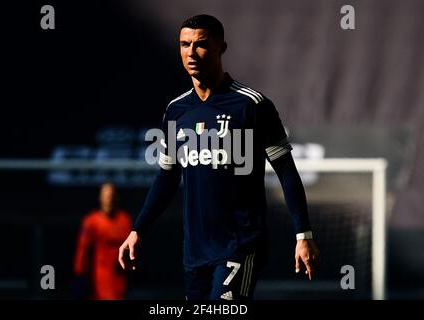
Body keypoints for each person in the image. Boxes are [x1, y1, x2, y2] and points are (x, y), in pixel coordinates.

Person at [119, 14, 320, 300]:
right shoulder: (176, 111)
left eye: (200, 44)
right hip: (195, 252)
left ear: (221, 48)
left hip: (240, 245)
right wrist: (138, 229)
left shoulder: (252, 105)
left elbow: (286, 170)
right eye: (184, 44)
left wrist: (304, 235)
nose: (191, 52)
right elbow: (167, 175)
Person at [74, 182, 132, 299]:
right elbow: (82, 250)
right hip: (98, 279)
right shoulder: (91, 221)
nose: (109, 200)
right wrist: (79, 275)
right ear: (100, 198)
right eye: (106, 196)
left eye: (111, 196)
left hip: (119, 278)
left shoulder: (125, 220)